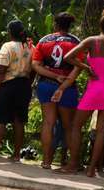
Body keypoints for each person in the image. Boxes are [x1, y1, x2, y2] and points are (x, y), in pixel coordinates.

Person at [57, 6, 104, 177]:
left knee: (76, 126)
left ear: (101, 26)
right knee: (101, 130)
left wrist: (86, 66)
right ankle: (91, 169)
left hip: (95, 87)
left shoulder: (92, 41)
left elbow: (68, 57)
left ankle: (73, 164)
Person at [32, 12, 82, 169]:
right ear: (70, 25)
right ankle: (70, 162)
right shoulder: (76, 42)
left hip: (46, 85)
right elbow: (78, 68)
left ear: (55, 24)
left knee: (48, 122)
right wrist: (64, 84)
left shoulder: (44, 41)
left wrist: (53, 75)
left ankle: (46, 161)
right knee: (69, 126)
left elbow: (36, 65)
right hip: (68, 87)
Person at [0, 20, 33, 163]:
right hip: (24, 85)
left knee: (1, 121)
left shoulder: (8, 46)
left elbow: (0, 70)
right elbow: (35, 69)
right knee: (19, 122)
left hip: (7, 86)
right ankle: (16, 155)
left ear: (9, 32)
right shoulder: (31, 47)